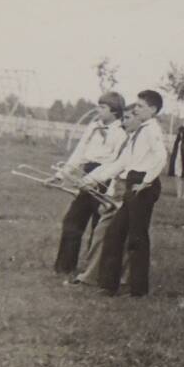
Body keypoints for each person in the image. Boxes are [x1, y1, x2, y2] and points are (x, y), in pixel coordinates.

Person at [83, 90, 167, 297]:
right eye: (136, 105)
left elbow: (161, 157)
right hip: (133, 183)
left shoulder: (152, 130)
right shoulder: (140, 131)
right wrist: (93, 179)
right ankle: (108, 286)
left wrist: (146, 182)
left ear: (153, 109)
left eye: (140, 106)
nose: (135, 109)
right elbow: (121, 162)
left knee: (137, 238)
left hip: (142, 185)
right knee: (114, 233)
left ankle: (138, 290)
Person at [51, 91, 126, 278]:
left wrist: (107, 186)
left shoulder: (122, 132)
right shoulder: (93, 127)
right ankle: (65, 267)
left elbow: (118, 162)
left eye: (103, 107)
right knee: (72, 221)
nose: (98, 110)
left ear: (115, 111)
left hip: (105, 178)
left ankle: (94, 270)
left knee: (98, 226)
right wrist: (61, 174)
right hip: (87, 175)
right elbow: (79, 153)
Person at [70, 110, 138, 287]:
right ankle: (92, 275)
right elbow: (113, 165)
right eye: (123, 118)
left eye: (129, 118)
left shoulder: (140, 141)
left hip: (132, 191)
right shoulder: (128, 140)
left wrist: (93, 181)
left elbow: (122, 168)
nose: (124, 122)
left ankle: (122, 279)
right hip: (118, 190)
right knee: (102, 231)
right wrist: (89, 180)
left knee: (125, 236)